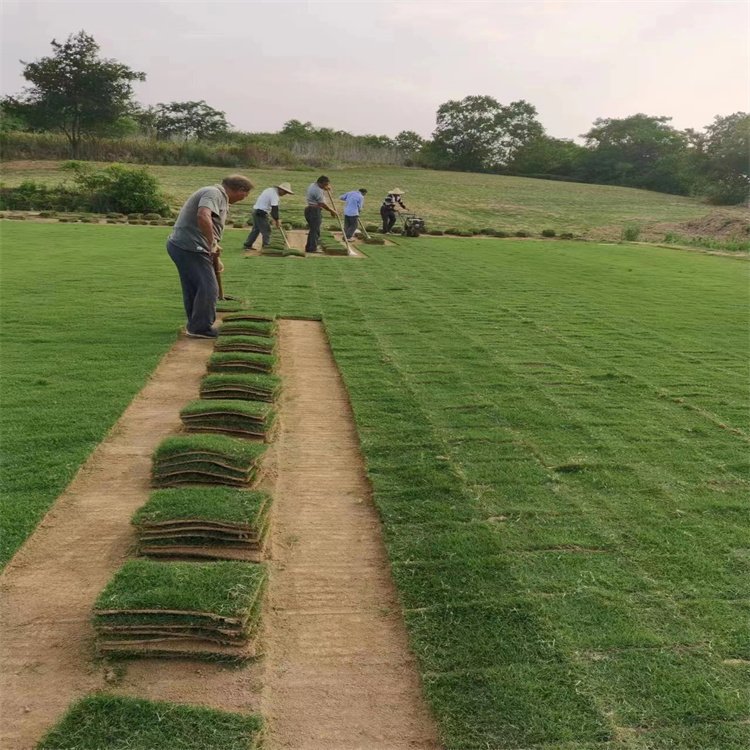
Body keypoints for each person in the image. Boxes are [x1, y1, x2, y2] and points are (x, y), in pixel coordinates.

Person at [167, 175, 253, 338]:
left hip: (185, 246)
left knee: (194, 287)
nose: (244, 198)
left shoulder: (218, 196)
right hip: (189, 246)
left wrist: (215, 254)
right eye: (246, 194)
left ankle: (195, 325)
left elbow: (210, 225)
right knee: (209, 287)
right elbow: (203, 215)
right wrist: (212, 243)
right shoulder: (213, 193)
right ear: (240, 190)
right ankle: (200, 328)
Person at [242, 182, 293, 250]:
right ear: (281, 189)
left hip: (257, 211)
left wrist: (275, 219)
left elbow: (272, 210)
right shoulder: (274, 195)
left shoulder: (270, 190)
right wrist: (277, 220)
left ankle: (247, 245)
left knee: (256, 230)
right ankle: (266, 247)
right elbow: (275, 209)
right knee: (266, 230)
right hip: (260, 212)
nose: (285, 194)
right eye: (285, 192)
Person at [304, 175, 336, 253]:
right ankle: (313, 248)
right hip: (314, 211)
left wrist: (325, 188)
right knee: (315, 231)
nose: (326, 186)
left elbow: (322, 188)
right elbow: (322, 204)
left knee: (313, 230)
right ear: (320, 183)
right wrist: (331, 211)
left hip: (310, 210)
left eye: (327, 184)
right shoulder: (317, 190)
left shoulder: (313, 185)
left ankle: (309, 247)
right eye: (325, 184)